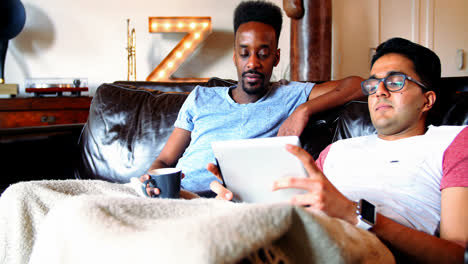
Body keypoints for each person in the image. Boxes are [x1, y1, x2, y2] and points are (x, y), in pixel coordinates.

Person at [210, 37, 468, 263]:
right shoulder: (337, 150)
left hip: (361, 246)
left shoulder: (452, 142)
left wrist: (353, 212)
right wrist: (244, 198)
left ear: (427, 100)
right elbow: (296, 206)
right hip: (295, 230)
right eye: (373, 84)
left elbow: (457, 255)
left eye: (396, 81)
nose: (379, 91)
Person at [141, 0, 363, 197]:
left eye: (263, 54)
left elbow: (358, 85)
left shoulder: (289, 95)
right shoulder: (201, 97)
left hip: (229, 202)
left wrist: (303, 110)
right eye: (245, 53)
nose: (253, 63)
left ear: (276, 58)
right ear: (235, 57)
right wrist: (152, 180)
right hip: (179, 196)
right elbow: (165, 161)